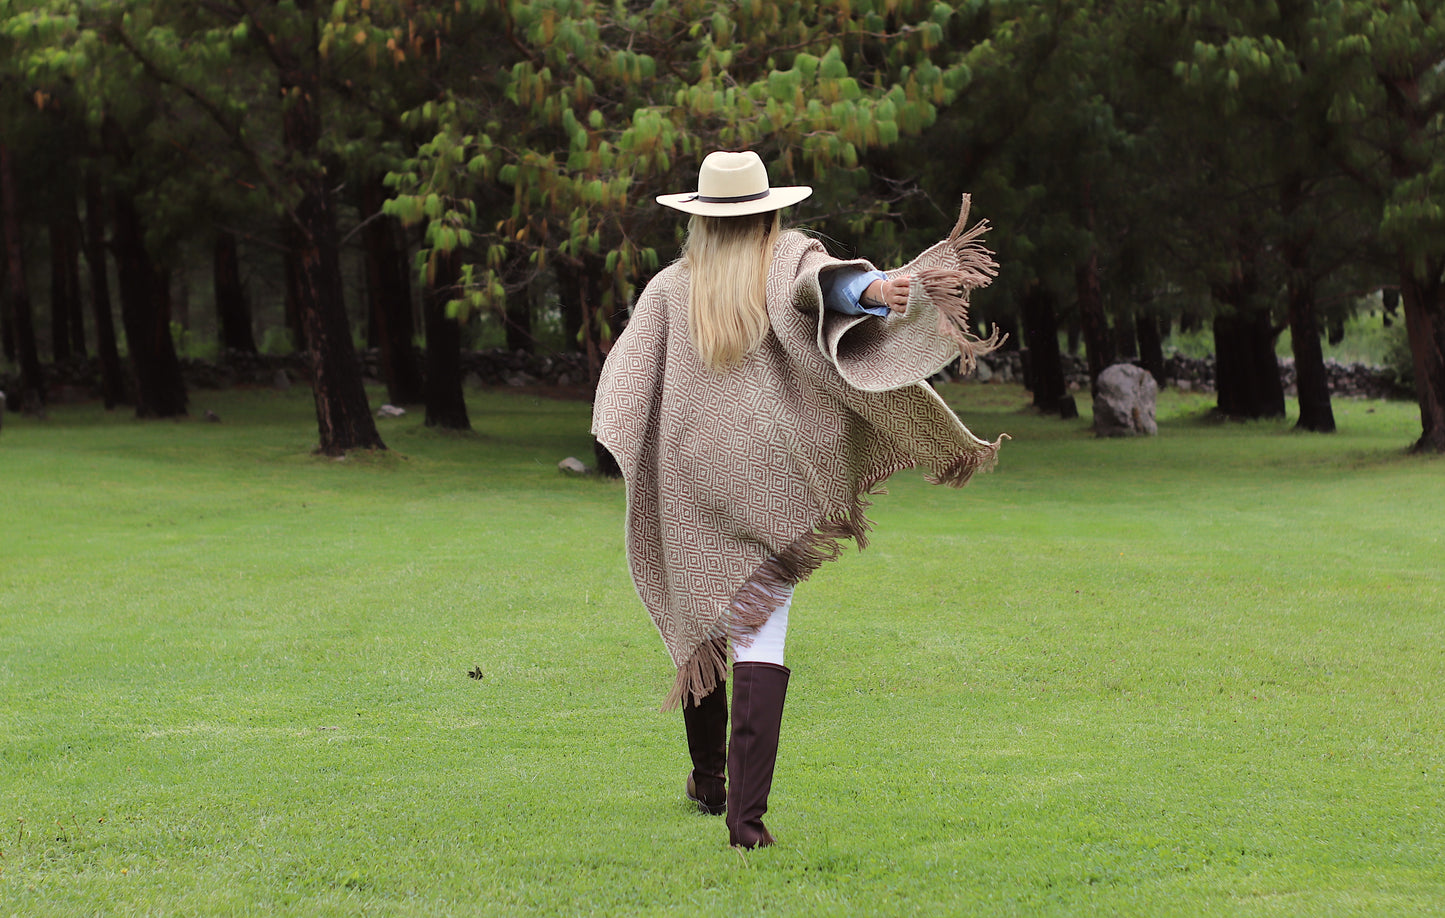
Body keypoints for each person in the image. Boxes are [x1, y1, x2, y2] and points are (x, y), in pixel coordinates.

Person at [592, 150, 1004, 849]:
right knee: (758, 629)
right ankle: (744, 822)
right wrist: (874, 293)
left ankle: (709, 780)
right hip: (768, 476)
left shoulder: (668, 287)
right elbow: (828, 287)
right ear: (768, 209)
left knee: (702, 616)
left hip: (691, 475)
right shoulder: (784, 255)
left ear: (699, 215)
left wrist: (630, 450)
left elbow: (623, 387)